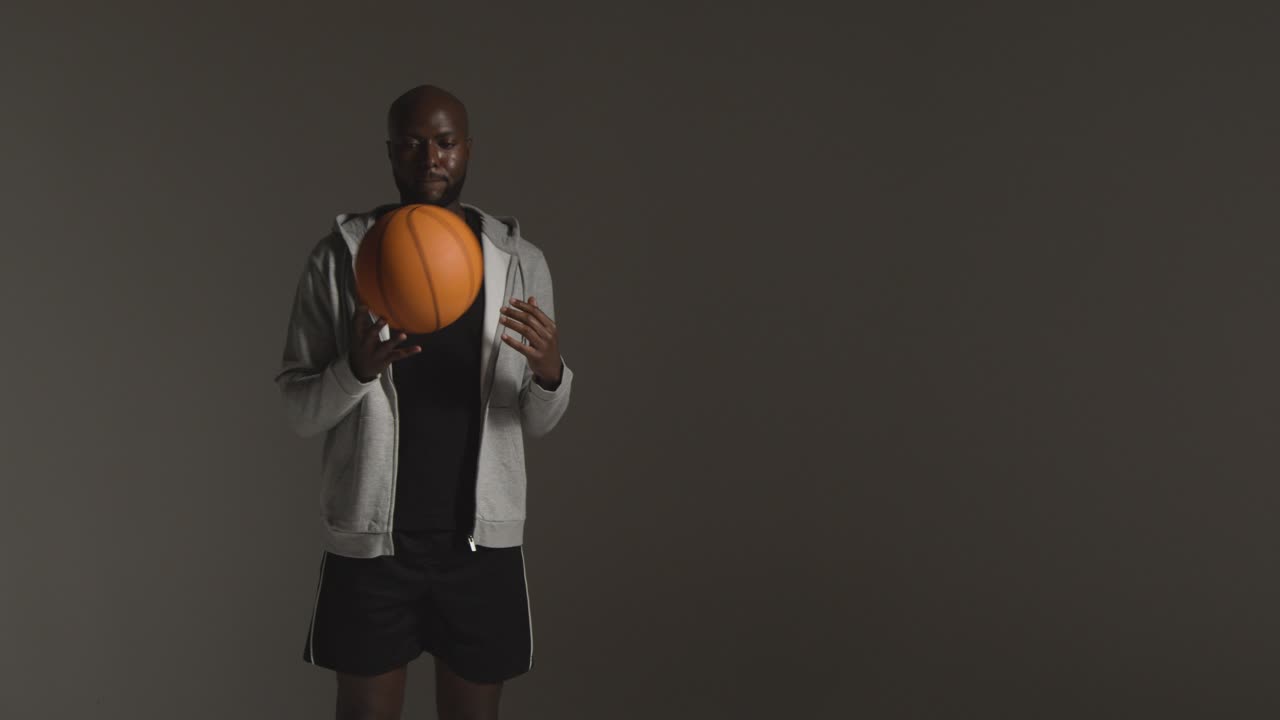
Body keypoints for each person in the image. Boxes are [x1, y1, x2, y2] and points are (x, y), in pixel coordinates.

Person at [274, 84, 574, 720]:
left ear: (467, 149)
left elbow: (538, 422)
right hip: (372, 542)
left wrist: (550, 372)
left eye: (444, 142)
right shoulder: (341, 259)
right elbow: (299, 412)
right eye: (412, 143)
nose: (430, 157)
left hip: (481, 546)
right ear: (390, 151)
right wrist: (354, 371)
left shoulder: (520, 263)